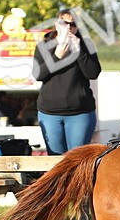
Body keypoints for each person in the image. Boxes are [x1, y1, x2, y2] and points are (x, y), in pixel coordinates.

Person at [33, 9, 102, 155]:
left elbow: (93, 73)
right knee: (56, 160)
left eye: (73, 24)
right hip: (50, 113)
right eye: (65, 23)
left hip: (80, 113)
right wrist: (57, 55)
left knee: (77, 159)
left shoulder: (86, 44)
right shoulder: (44, 45)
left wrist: (79, 51)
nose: (69, 28)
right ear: (57, 24)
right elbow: (38, 75)